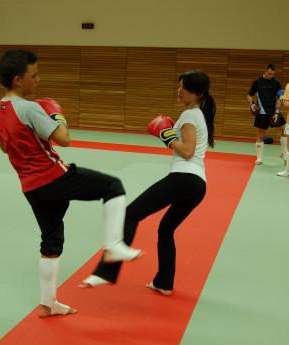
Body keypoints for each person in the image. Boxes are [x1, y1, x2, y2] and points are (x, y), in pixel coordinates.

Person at [0, 49, 142, 317]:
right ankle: (114, 246)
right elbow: (64, 138)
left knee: (50, 243)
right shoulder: (30, 108)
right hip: (55, 177)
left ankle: (48, 304)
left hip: (31, 188)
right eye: (33, 75)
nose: (38, 80)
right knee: (113, 186)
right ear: (17, 79)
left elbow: (5, 148)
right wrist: (57, 116)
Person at [81, 69, 215, 296]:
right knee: (165, 230)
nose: (179, 91)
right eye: (179, 86)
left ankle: (107, 270)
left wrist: (167, 136)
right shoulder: (199, 115)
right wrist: (170, 135)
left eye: (185, 88)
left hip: (183, 178)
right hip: (198, 185)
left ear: (198, 93)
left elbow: (188, 151)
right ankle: (163, 282)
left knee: (131, 213)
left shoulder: (191, 115)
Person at [247, 64, 287, 165]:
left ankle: (284, 153)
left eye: (272, 74)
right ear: (264, 71)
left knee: (285, 130)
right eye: (269, 74)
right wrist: (251, 104)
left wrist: (277, 111)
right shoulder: (257, 82)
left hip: (274, 111)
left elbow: (280, 97)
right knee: (260, 135)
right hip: (262, 112)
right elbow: (249, 95)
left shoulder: (276, 83)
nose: (271, 76)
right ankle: (259, 158)